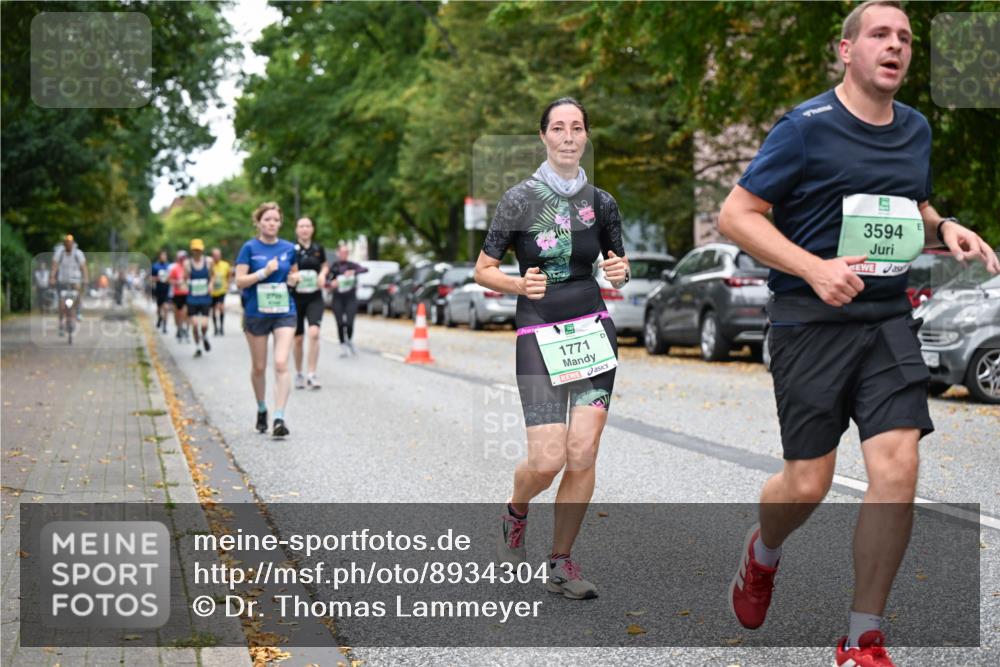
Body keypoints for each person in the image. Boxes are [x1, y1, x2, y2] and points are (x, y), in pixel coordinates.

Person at [717, 3, 1000, 665]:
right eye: (880, 34)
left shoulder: (916, 129)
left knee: (898, 468)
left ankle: (862, 634)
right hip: (809, 324)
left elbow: (912, 206)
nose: (895, 45)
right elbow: (736, 215)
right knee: (808, 484)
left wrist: (944, 228)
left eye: (905, 37)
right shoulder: (805, 128)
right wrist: (813, 268)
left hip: (885, 321)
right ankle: (762, 552)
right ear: (846, 51)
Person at [474, 98, 629, 600]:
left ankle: (560, 562)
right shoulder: (518, 199)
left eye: (576, 127)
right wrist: (518, 286)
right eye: (558, 128)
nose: (568, 136)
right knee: (547, 461)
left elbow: (616, 262)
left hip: (592, 333)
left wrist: (621, 271)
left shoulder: (602, 203)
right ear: (543, 136)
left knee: (582, 453)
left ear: (586, 136)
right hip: (539, 335)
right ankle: (516, 511)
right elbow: (483, 269)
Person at [234, 202, 299, 437]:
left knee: (281, 363)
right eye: (267, 219)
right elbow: (239, 281)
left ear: (280, 223)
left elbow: (293, 274)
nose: (272, 223)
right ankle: (262, 408)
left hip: (284, 311)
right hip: (256, 313)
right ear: (259, 222)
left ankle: (279, 417)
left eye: (276, 220)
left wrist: (294, 280)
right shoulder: (249, 248)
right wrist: (263, 273)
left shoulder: (289, 248)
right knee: (259, 367)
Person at [291, 218, 328, 388]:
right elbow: (286, 270)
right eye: (301, 226)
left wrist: (322, 275)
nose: (304, 229)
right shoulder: (291, 249)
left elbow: (325, 266)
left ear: (312, 229)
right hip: (297, 298)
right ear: (296, 230)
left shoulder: (318, 249)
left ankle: (312, 374)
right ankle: (299, 373)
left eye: (308, 226)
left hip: (314, 296)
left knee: (314, 333)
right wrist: (292, 277)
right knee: (298, 339)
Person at [327, 244, 368, 357]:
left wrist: (354, 272)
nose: (344, 255)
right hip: (337, 298)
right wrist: (331, 284)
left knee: (349, 322)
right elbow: (326, 281)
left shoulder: (352, 265)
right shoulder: (334, 266)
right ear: (338, 253)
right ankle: (342, 344)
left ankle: (349, 339)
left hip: (350, 298)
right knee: (340, 323)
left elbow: (364, 269)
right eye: (342, 252)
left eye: (346, 252)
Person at [50, 234, 88, 336]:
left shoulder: (78, 254)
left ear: (73, 243)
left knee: (78, 289)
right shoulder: (60, 253)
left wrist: (85, 278)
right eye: (67, 243)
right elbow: (54, 265)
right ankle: (61, 325)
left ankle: (78, 311)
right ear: (64, 244)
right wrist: (52, 277)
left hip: (75, 279)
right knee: (62, 304)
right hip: (62, 280)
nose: (68, 245)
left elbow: (83, 267)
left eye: (70, 243)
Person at [184, 239, 214, 357]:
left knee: (204, 325)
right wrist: (186, 284)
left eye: (199, 250)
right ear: (192, 251)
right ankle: (197, 347)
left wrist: (211, 284)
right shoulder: (187, 263)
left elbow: (212, 276)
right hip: (192, 297)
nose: (197, 252)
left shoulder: (209, 261)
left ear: (202, 250)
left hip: (205, 296)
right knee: (195, 325)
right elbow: (185, 278)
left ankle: (205, 336)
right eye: (195, 250)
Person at [210, 247, 232, 336]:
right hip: (212, 292)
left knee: (221, 308)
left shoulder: (225, 265)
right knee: (213, 310)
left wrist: (228, 285)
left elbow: (229, 276)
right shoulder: (210, 265)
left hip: (221, 290)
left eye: (218, 255)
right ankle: (215, 328)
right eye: (215, 255)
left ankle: (222, 328)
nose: (216, 257)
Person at [168, 250, 190, 342]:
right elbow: (169, 280)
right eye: (181, 258)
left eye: (184, 258)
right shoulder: (174, 268)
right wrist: (176, 282)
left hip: (187, 293)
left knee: (186, 312)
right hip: (177, 293)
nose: (182, 260)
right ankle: (179, 328)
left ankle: (186, 329)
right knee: (177, 313)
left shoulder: (189, 267)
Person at [151, 250, 171, 333]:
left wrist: (169, 280)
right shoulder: (155, 266)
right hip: (158, 290)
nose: (163, 257)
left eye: (165, 255)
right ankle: (159, 318)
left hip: (167, 290)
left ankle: (165, 326)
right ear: (159, 256)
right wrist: (157, 279)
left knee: (166, 308)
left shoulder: (169, 266)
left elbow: (172, 277)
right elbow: (151, 278)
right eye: (162, 255)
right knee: (159, 308)